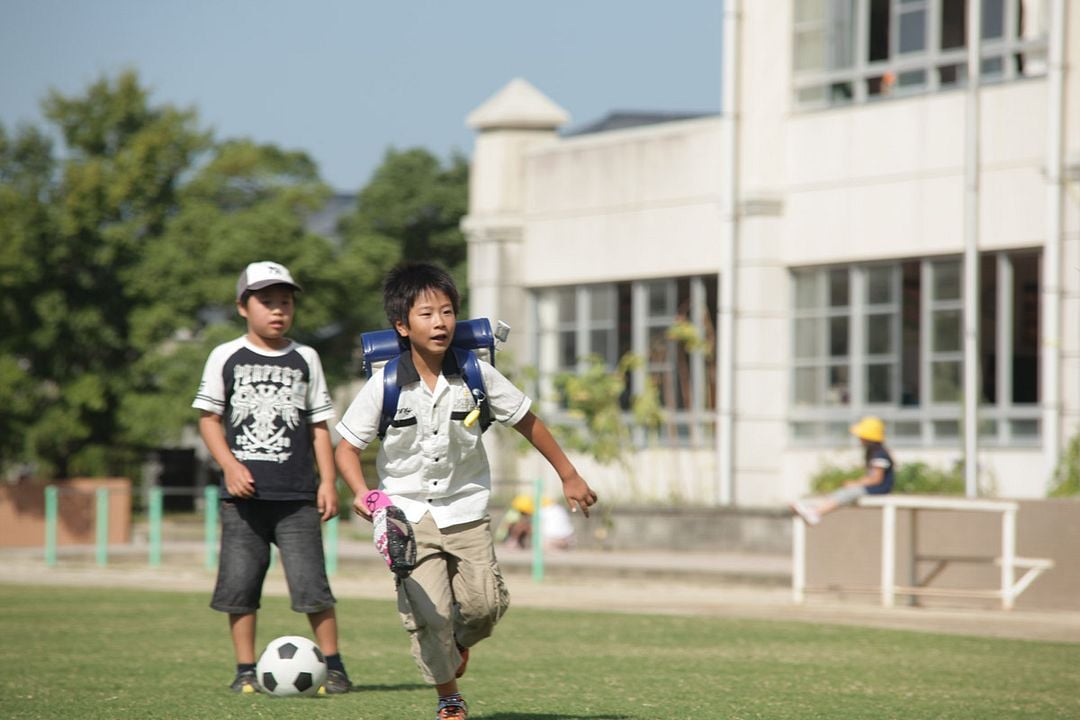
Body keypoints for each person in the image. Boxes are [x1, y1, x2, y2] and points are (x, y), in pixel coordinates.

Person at [334, 261, 597, 720]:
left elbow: (528, 422)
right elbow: (345, 449)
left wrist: (568, 474)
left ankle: (456, 642)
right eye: (426, 314)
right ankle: (449, 695)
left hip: (467, 510)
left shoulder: (476, 373)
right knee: (427, 615)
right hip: (409, 516)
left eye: (447, 311)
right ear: (401, 325)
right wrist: (363, 493)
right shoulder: (386, 384)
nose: (439, 322)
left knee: (485, 607)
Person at [192, 261, 353, 695]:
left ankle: (334, 667)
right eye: (267, 302)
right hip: (242, 501)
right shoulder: (225, 355)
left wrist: (327, 481)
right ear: (243, 306)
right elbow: (209, 419)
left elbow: (320, 425)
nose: (278, 311)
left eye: (285, 302)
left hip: (297, 497)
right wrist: (229, 464)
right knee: (240, 588)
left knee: (312, 588)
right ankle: (245, 669)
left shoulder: (306, 358)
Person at [791, 416, 895, 526]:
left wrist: (856, 483)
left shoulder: (880, 454)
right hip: (874, 488)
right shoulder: (875, 453)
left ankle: (816, 512)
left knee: (848, 492)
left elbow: (876, 478)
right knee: (843, 491)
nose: (859, 439)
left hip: (879, 489)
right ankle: (815, 509)